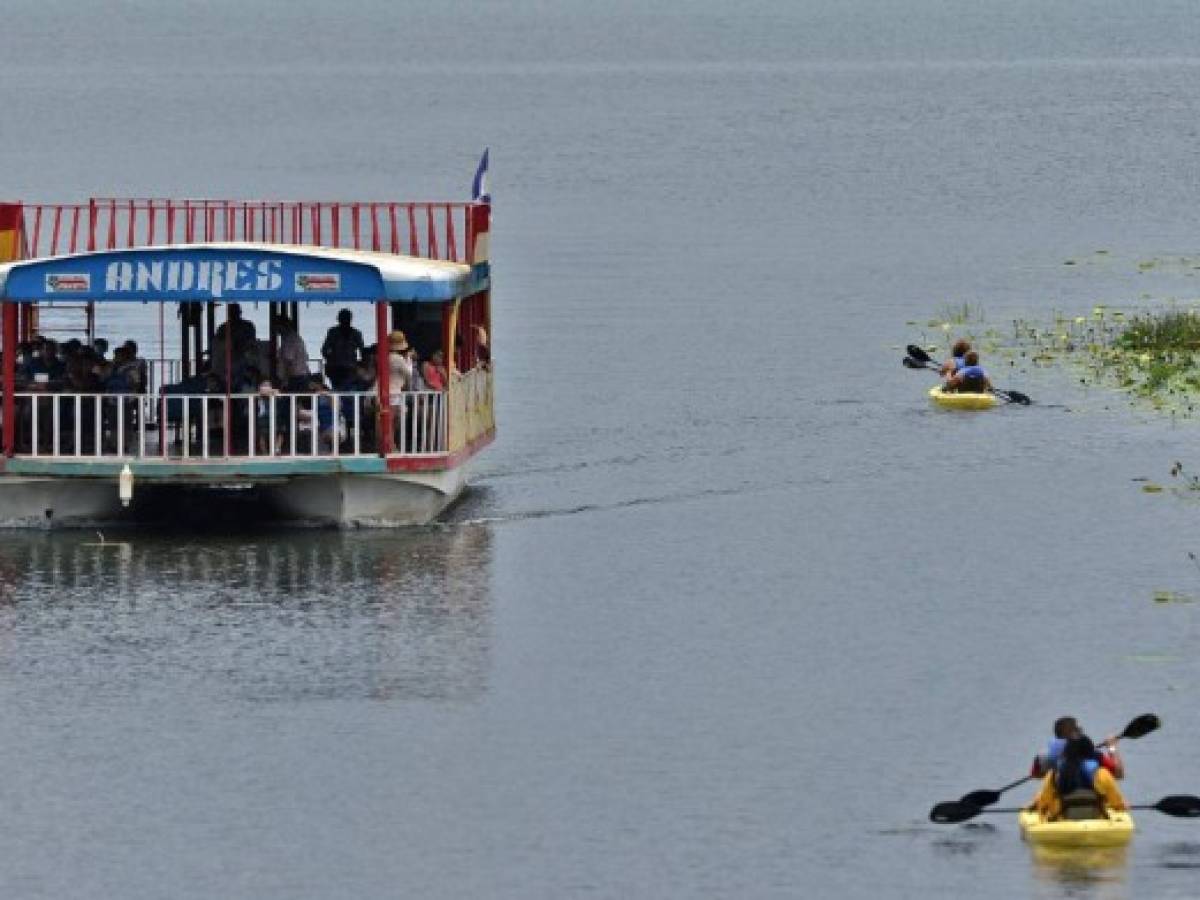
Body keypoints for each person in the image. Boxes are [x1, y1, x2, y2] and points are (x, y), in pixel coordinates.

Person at [1029, 734, 1127, 821]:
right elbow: (1118, 805)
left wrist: (1037, 803)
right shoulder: (1102, 774)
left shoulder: (1054, 775)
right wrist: (1121, 805)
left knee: (1041, 798)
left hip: (1063, 822)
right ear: (1091, 753)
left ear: (1066, 753)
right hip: (1095, 821)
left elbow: (1044, 804)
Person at [1032, 716, 1125, 780]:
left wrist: (1053, 772)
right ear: (1074, 733)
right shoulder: (1094, 755)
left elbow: (1036, 775)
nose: (1081, 731)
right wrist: (1112, 747)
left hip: (1061, 803)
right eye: (1078, 729)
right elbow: (1119, 773)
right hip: (1089, 803)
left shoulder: (1045, 756)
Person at [321, 308, 364, 390]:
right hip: (340, 367)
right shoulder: (334, 332)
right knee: (344, 389)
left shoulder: (355, 333)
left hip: (345, 367)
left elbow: (324, 349)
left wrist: (330, 359)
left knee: (340, 389)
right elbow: (362, 351)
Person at [276, 318, 311, 390]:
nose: (276, 329)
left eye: (278, 326)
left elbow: (289, 360)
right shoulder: (295, 337)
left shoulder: (290, 339)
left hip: (295, 377)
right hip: (301, 375)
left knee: (290, 399)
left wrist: (286, 379)